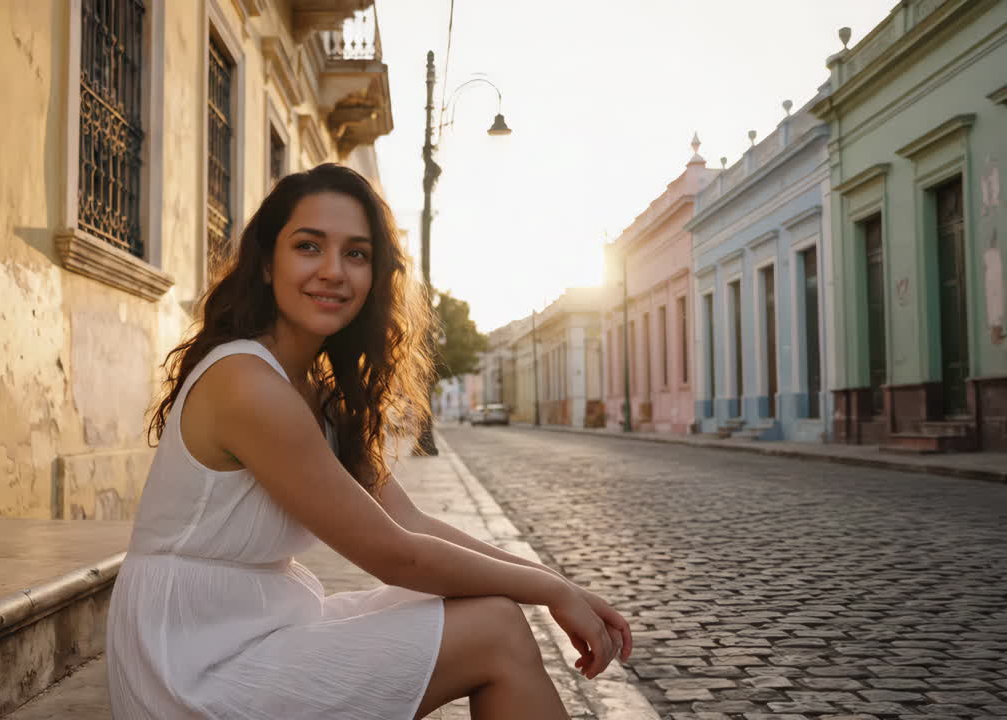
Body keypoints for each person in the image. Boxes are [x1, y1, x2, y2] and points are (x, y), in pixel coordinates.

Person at [105, 164, 632, 720]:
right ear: (266, 262)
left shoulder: (315, 391)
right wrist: (551, 593)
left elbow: (412, 525)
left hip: (252, 628)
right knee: (495, 630)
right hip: (191, 662)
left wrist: (553, 582)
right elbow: (395, 555)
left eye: (356, 254)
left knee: (492, 609)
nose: (333, 271)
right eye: (309, 246)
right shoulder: (247, 384)